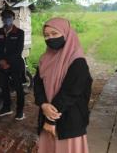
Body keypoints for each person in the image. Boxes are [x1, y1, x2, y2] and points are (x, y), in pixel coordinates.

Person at [33, 18, 92, 153]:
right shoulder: (44, 59)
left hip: (69, 120)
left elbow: (71, 93)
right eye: (46, 35)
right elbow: (38, 85)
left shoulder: (77, 61)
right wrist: (43, 104)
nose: (50, 38)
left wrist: (50, 121)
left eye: (54, 34)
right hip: (47, 114)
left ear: (66, 34)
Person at [0, 9, 26, 120]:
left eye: (9, 17)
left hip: (16, 65)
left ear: (13, 18)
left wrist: (8, 63)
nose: (7, 19)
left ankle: (20, 111)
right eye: (5, 17)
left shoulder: (19, 33)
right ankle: (7, 108)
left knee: (18, 88)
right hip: (2, 65)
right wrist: (1, 61)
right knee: (4, 87)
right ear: (2, 19)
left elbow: (18, 50)